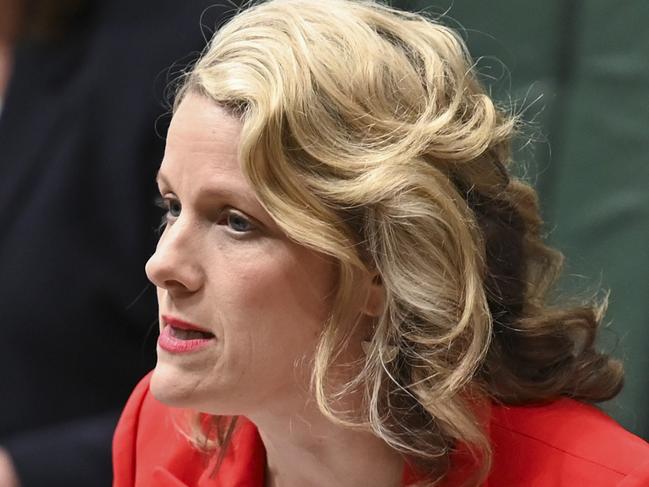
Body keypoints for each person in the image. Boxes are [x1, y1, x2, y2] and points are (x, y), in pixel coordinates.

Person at [112, 0, 649, 485]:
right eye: (172, 207)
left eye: (236, 222)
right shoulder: (158, 434)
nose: (163, 264)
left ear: (380, 267)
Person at [0, 0, 236, 485]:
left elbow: (245, 380)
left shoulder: (173, 43)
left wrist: (24, 471)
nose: (162, 263)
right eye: (170, 208)